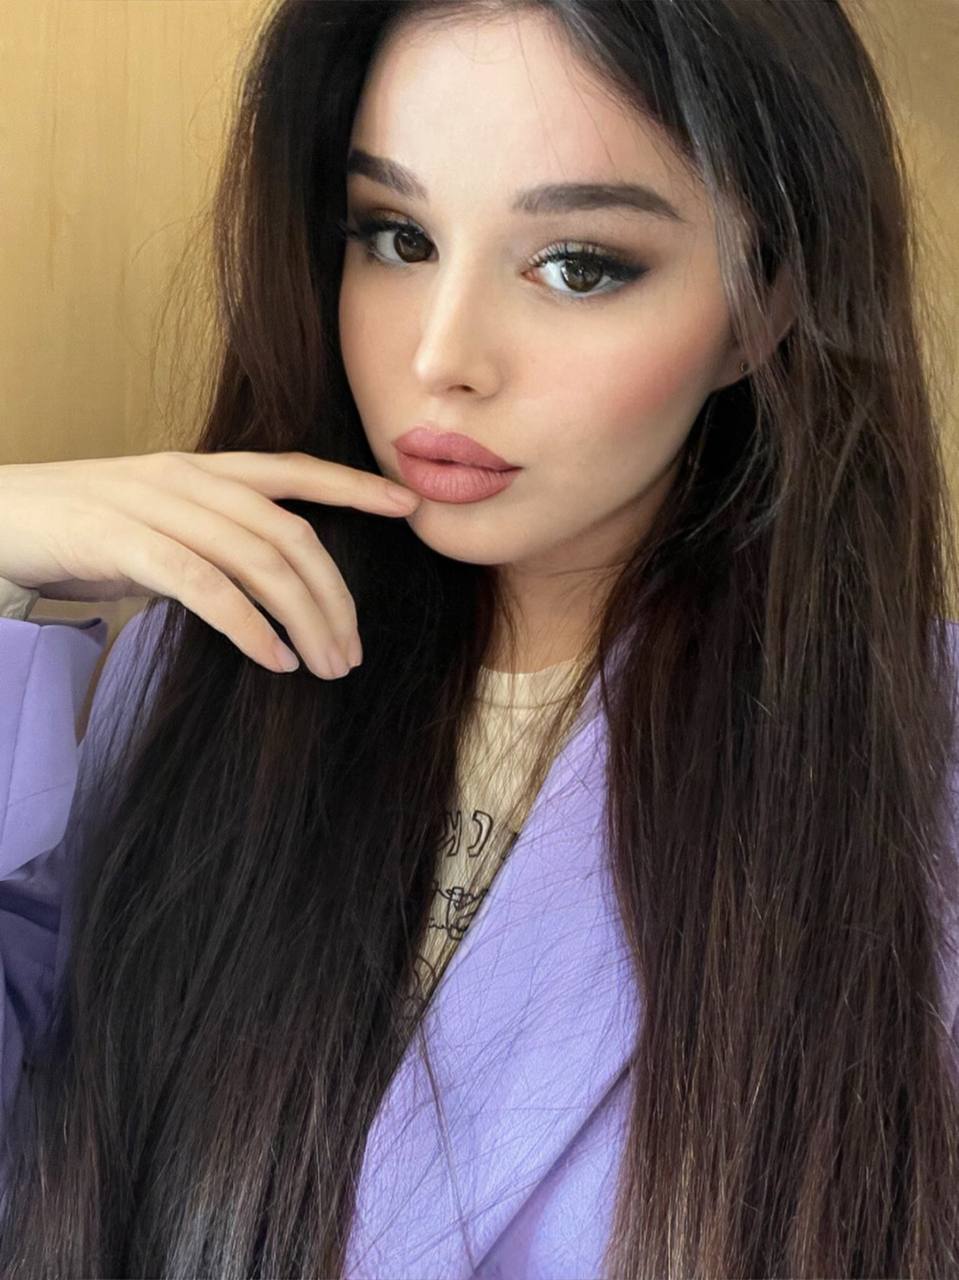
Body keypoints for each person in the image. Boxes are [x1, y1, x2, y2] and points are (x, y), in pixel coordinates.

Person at [0, 0, 957, 1275]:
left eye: (578, 265)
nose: (440, 357)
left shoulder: (914, 760)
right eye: (395, 236)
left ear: (760, 307)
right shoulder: (206, 659)